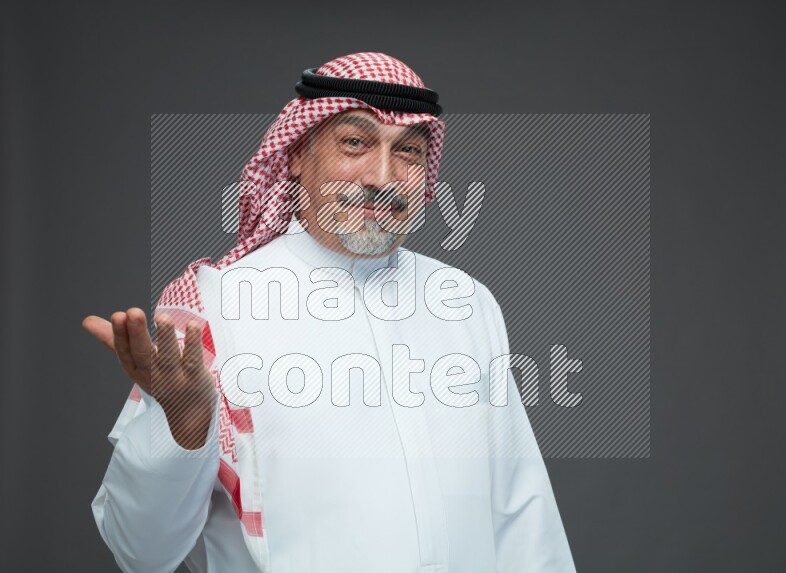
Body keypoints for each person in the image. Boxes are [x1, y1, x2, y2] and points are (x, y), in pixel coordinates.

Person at [84, 52, 576, 573]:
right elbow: (141, 553)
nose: (382, 177)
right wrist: (181, 427)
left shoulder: (466, 301)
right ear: (297, 153)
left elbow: (523, 513)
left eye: (408, 152)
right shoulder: (215, 309)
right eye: (355, 143)